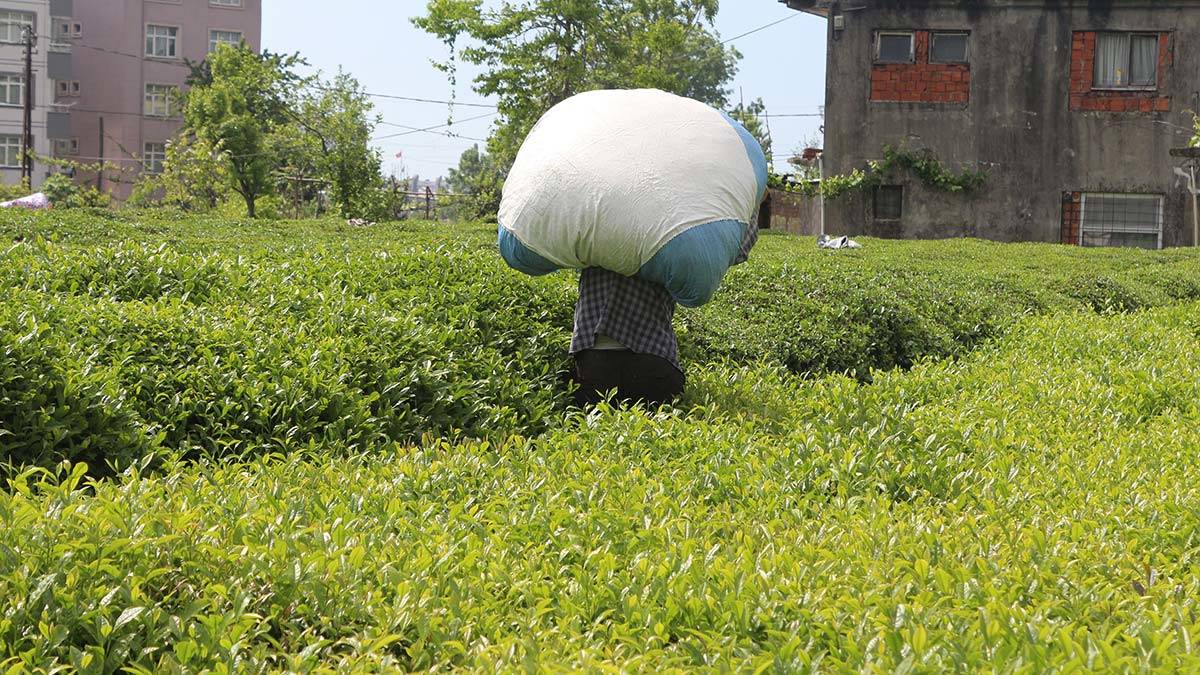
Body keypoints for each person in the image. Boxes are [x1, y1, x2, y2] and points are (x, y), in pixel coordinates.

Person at [569, 201, 766, 408]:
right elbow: (738, 246)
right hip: (655, 363)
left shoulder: (598, 229)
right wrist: (753, 198)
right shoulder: (670, 236)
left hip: (593, 361)